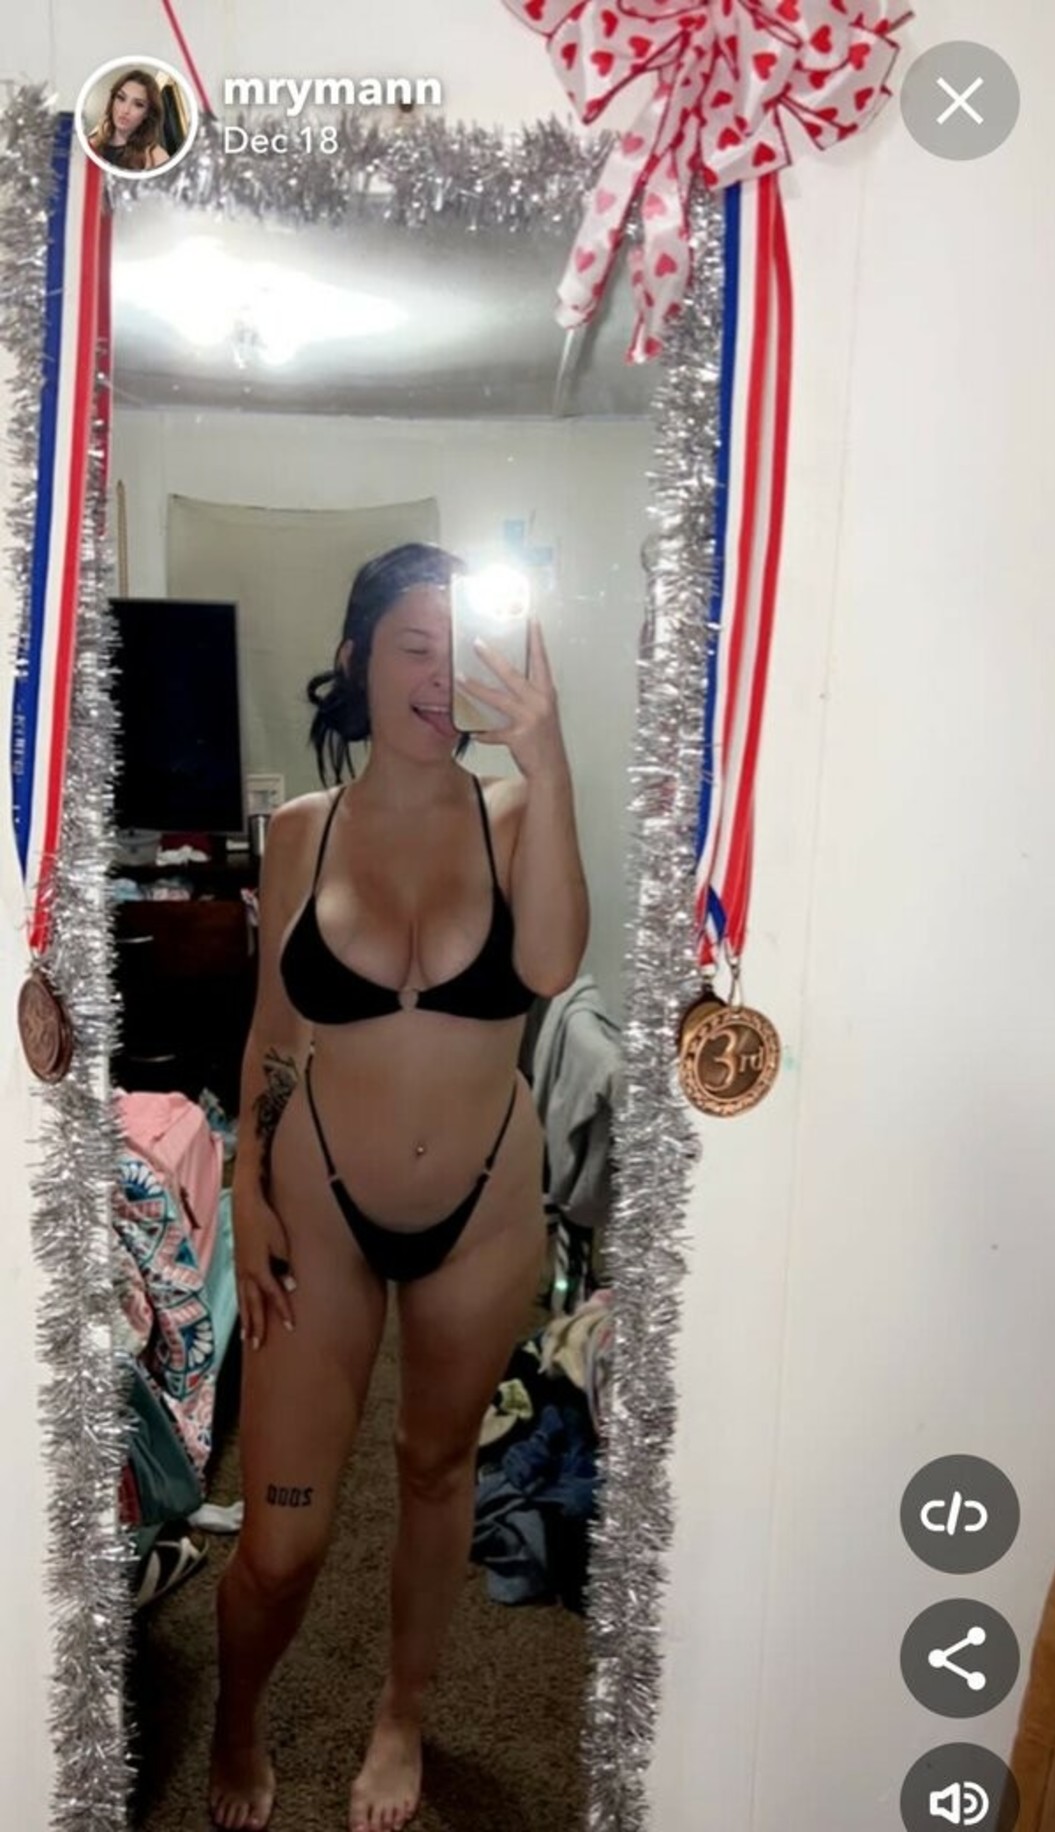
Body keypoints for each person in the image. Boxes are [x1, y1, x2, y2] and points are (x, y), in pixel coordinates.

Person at [208, 542, 589, 1832]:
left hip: (484, 1210)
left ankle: (401, 1712)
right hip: (321, 1201)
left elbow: (553, 961)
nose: (436, 676)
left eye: (455, 647)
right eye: (411, 647)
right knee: (281, 1544)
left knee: (435, 1468)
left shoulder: (516, 810)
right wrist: (247, 1188)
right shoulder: (301, 833)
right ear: (356, 659)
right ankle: (238, 1714)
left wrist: (550, 758)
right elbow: (273, 1032)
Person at [87, 69, 170, 172]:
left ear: (147, 113)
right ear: (112, 101)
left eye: (138, 104)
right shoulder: (91, 144)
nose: (125, 110)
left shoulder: (156, 157)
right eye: (121, 98)